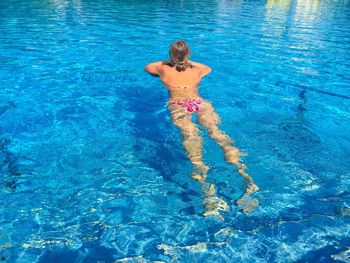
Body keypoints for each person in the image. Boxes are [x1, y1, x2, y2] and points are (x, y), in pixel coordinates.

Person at [145, 40, 259, 220]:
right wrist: (187, 62)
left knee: (191, 138)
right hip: (199, 102)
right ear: (188, 55)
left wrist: (170, 62)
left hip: (178, 104)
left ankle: (208, 190)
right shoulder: (197, 70)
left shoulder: (163, 69)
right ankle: (247, 178)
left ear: (171, 56)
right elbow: (208, 68)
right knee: (218, 134)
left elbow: (148, 67)